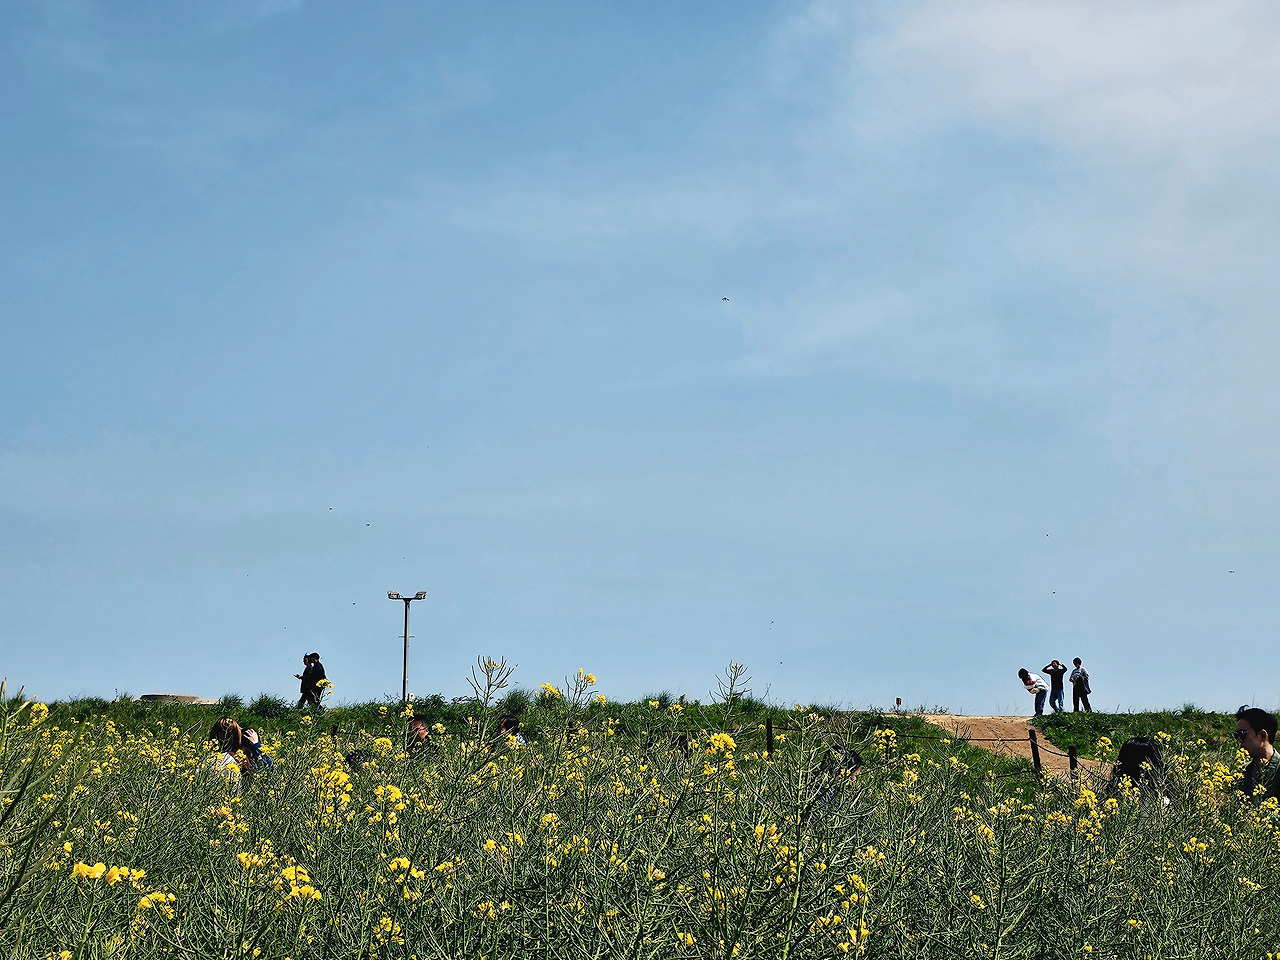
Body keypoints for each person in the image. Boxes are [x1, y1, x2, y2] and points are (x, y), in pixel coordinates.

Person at [1235, 706, 1280, 804]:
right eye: (1236, 735)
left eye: (1242, 734)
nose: (1239, 740)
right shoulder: (1243, 771)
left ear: (1262, 736)